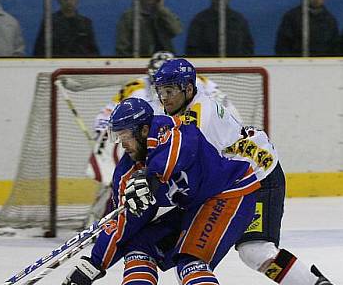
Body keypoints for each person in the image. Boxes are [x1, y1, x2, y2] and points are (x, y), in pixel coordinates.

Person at [149, 59, 343, 285]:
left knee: (254, 251)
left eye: (170, 90)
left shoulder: (199, 118)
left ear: (187, 88)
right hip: (234, 180)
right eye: (160, 91)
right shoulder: (192, 107)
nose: (164, 98)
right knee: (192, 239)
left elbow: (191, 166)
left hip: (259, 178)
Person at [59, 97, 261, 285]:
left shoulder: (170, 130)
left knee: (190, 257)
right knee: (139, 244)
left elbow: (183, 147)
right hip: (194, 206)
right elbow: (123, 224)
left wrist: (151, 176)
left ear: (144, 130)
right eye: (117, 137)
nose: (122, 144)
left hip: (230, 193)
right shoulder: (127, 172)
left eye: (125, 136)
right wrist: (91, 266)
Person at [86, 52, 240, 223]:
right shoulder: (135, 88)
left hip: (192, 150)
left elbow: (226, 111)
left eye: (169, 89)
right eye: (159, 87)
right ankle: (105, 216)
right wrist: (106, 133)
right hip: (151, 141)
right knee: (118, 169)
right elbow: (107, 115)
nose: (163, 96)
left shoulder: (201, 88)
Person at [115, 0, 182, 57]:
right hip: (141, 62)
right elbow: (122, 48)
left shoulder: (162, 14)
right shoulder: (129, 17)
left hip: (165, 61)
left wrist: (162, 9)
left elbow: (176, 30)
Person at [185, 0, 254, 56]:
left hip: (236, 65)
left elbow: (248, 47)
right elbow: (192, 50)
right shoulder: (200, 20)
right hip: (208, 66)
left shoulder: (238, 19)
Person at [275, 0, 340, 56]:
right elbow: (283, 44)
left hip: (322, 63)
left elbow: (335, 46)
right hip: (297, 62)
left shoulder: (330, 20)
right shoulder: (292, 17)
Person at [33, 0, 98, 57]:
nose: (69, 2)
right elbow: (39, 51)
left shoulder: (86, 23)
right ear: (59, 0)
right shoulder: (50, 22)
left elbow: (94, 52)